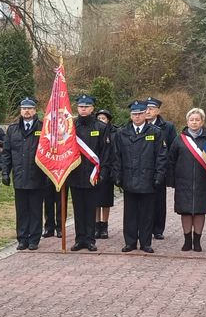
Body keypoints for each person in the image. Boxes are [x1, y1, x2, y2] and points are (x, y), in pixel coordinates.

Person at [108, 100, 167, 253]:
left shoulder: (155, 132)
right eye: (134, 114)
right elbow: (117, 156)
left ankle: (146, 243)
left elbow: (161, 156)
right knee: (130, 213)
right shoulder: (122, 133)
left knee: (147, 214)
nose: (137, 117)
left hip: (148, 179)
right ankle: (130, 242)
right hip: (129, 178)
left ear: (145, 114)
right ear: (130, 115)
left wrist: (158, 176)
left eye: (140, 114)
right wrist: (117, 176)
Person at [166, 108, 206, 253]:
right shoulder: (179, 139)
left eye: (197, 120)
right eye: (192, 120)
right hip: (183, 181)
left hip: (203, 181)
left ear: (202, 121)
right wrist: (171, 181)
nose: (194, 122)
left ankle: (197, 241)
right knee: (185, 211)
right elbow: (171, 161)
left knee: (199, 211)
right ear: (187, 122)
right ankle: (187, 241)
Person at [66, 94, 111, 252]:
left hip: (93, 174)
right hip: (75, 174)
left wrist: (103, 172)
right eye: (80, 107)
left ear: (92, 108)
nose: (83, 109)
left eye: (86, 107)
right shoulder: (70, 126)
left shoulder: (101, 127)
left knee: (91, 208)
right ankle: (80, 239)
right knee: (78, 209)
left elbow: (105, 152)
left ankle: (90, 240)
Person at [2, 97, 47, 251]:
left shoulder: (43, 128)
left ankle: (34, 239)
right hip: (20, 176)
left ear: (35, 111)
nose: (26, 111)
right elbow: (7, 153)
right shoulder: (12, 129)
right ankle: (22, 238)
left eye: (30, 108)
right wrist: (5, 172)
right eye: (24, 108)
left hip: (37, 176)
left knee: (35, 209)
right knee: (21, 210)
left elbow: (48, 152)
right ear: (20, 111)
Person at [144, 96, 176, 240]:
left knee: (159, 201)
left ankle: (158, 229)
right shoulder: (140, 125)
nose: (148, 111)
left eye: (151, 109)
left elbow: (172, 148)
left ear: (158, 111)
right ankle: (145, 227)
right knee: (145, 200)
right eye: (146, 109)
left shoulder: (167, 127)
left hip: (160, 168)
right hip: (143, 168)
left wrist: (167, 170)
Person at [93, 109, 117, 239]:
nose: (101, 120)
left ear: (108, 120)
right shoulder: (94, 132)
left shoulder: (114, 133)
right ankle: (96, 225)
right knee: (96, 200)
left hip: (108, 170)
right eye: (99, 118)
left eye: (103, 118)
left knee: (106, 201)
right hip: (95, 170)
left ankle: (104, 226)